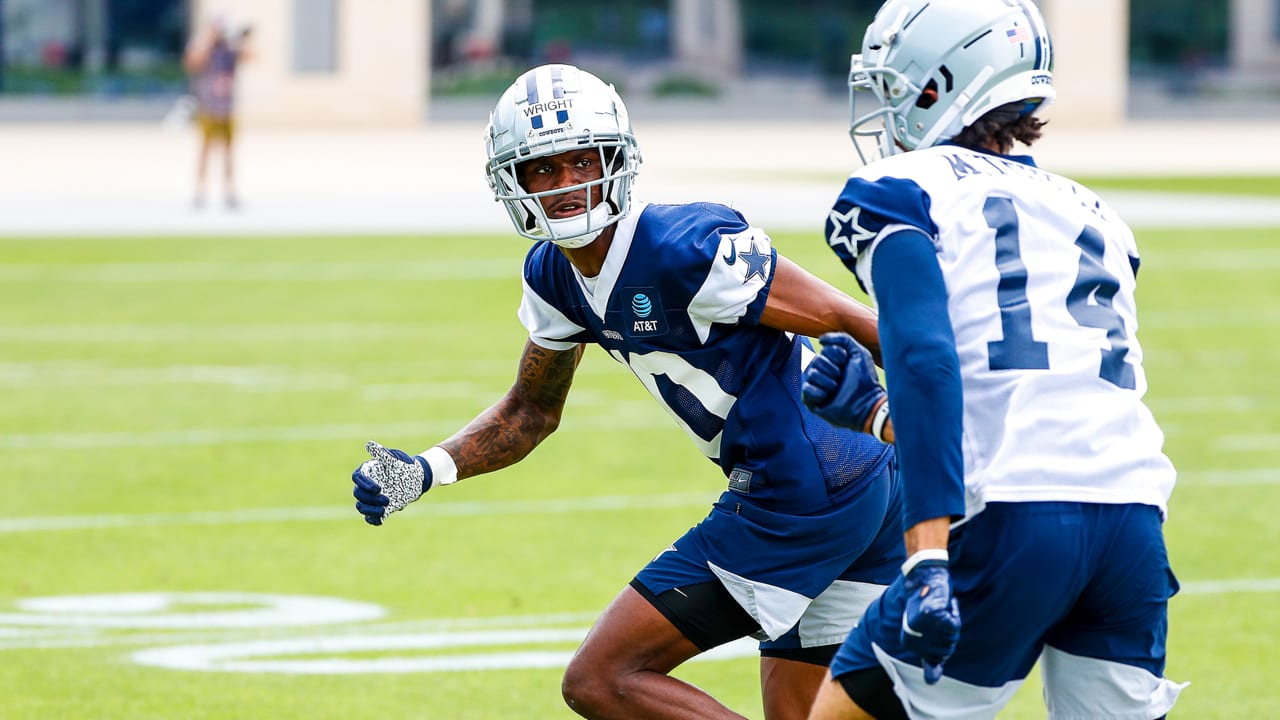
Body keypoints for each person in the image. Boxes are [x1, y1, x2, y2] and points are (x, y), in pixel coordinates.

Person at [350, 63, 905, 720]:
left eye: (580, 162)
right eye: (541, 170)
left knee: (603, 676)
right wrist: (427, 469)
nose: (564, 186)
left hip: (803, 492)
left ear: (616, 158)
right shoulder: (553, 275)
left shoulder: (681, 246)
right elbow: (530, 412)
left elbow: (860, 320)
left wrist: (911, 418)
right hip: (852, 486)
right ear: (512, 181)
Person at [798, 1, 1187, 718]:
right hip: (1131, 522)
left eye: (892, 87)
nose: (882, 109)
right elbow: (1032, 397)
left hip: (1008, 518)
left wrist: (926, 554)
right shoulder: (1096, 213)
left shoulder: (899, 190)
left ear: (939, 84)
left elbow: (927, 358)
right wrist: (878, 414)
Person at [183, 15, 251, 209]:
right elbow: (192, 64)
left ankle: (230, 191)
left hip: (227, 107)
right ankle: (200, 191)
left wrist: (237, 40)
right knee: (204, 150)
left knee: (229, 152)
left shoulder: (230, 48)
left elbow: (250, 57)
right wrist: (208, 42)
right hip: (207, 106)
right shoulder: (203, 46)